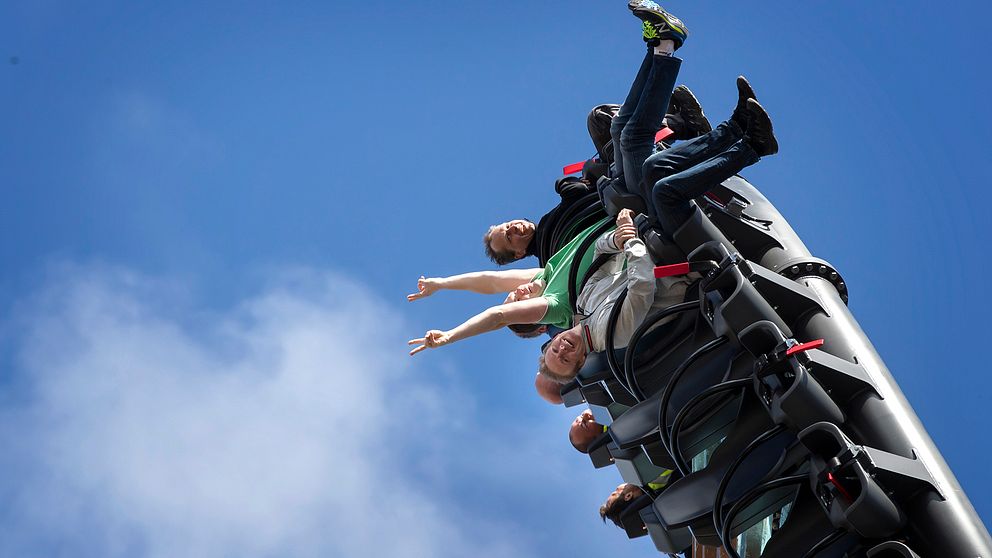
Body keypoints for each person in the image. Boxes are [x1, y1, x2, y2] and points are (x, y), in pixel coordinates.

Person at [538, 209, 691, 383]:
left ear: (554, 338)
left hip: (658, 247)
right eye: (565, 359)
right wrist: (630, 240)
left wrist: (615, 239)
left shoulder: (583, 305)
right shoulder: (611, 336)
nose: (563, 349)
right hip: (682, 267)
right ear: (581, 361)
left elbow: (600, 255)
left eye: (555, 350)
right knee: (663, 194)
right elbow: (643, 284)